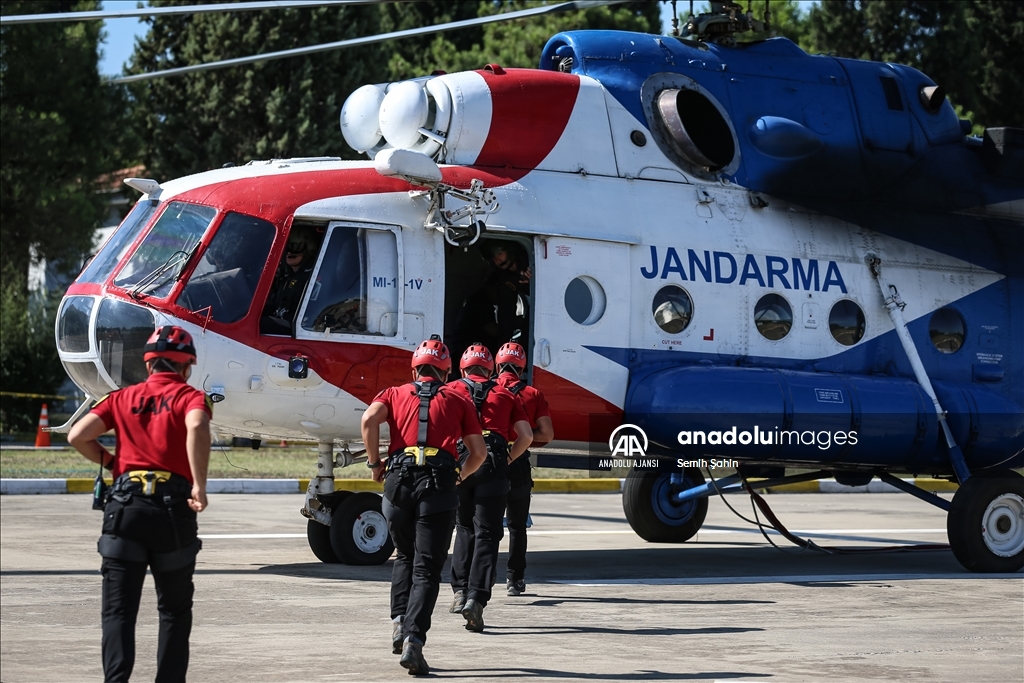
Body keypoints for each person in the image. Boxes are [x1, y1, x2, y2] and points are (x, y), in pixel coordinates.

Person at [68, 325, 212, 683]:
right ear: (187, 367)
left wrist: (113, 464)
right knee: (174, 612)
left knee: (118, 612)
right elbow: (196, 427)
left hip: (124, 510)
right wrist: (199, 485)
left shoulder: (121, 397)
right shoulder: (191, 397)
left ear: (149, 365)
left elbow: (77, 435)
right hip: (171, 513)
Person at [361, 335, 487, 676]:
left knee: (404, 555)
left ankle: (399, 623)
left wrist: (375, 463)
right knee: (428, 569)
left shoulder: (393, 393)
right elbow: (479, 453)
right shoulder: (458, 399)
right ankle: (414, 642)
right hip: (438, 485)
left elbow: (369, 420)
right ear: (446, 372)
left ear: (415, 369)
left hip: (398, 483)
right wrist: (459, 476)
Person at [447, 343, 532, 632]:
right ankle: (477, 599)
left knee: (464, 527)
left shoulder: (452, 390)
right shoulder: (506, 393)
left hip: (461, 458)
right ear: (491, 370)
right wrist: (507, 458)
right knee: (488, 533)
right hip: (493, 460)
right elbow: (527, 436)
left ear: (462, 369)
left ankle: (459, 591)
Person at [494, 340, 554, 596]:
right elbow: (547, 434)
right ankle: (514, 580)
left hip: (489, 460)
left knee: (484, 525)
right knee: (517, 525)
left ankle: (477, 581)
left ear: (497, 366)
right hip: (518, 463)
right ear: (521, 368)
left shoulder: (487, 390)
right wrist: (524, 437)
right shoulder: (533, 394)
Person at [261, 228, 316, 334]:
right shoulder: (286, 274)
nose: (290, 252)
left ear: (307, 251)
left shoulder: (310, 278)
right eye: (288, 247)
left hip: (294, 327)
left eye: (296, 247)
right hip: (280, 318)